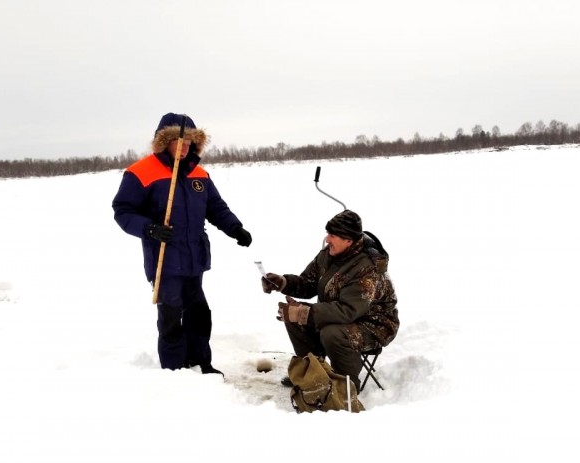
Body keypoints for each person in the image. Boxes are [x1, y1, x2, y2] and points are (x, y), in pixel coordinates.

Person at [112, 112, 252, 375]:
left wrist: (235, 227)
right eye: (180, 141)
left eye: (190, 142)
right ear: (165, 142)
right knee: (171, 318)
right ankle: (174, 371)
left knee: (199, 314)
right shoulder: (140, 172)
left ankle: (200, 362)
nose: (186, 146)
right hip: (164, 259)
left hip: (194, 259)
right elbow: (122, 210)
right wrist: (150, 229)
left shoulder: (199, 174)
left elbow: (216, 207)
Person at [261, 209, 399, 388]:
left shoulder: (367, 268)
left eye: (333, 235)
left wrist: (304, 313)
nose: (327, 239)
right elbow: (309, 282)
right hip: (345, 315)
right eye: (328, 233)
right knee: (294, 317)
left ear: (348, 240)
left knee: (330, 332)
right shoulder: (330, 254)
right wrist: (283, 282)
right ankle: (313, 374)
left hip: (374, 324)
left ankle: (345, 386)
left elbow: (348, 310)